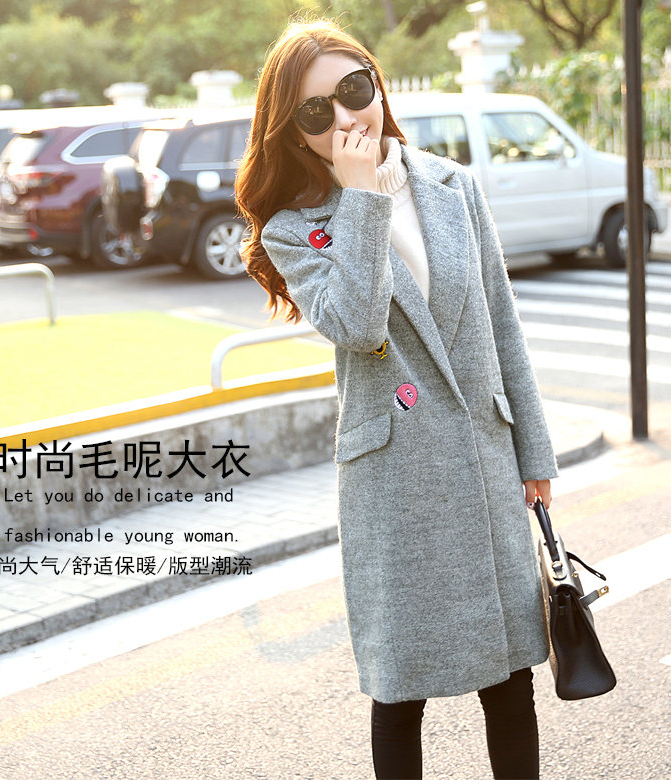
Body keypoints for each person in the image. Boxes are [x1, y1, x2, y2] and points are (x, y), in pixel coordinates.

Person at [235, 18, 558, 780]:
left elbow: (502, 323)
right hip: (394, 483)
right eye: (318, 111)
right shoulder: (295, 230)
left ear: (378, 85)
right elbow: (357, 323)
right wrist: (360, 197)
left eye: (356, 90)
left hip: (482, 459)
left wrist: (534, 453)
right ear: (295, 131)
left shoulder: (453, 186)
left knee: (510, 677)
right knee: (399, 688)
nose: (348, 117)